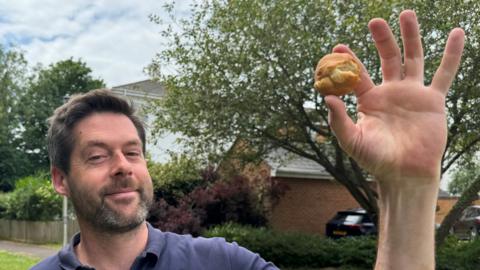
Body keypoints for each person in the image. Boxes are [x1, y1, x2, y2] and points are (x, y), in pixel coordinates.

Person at [31, 9, 464, 270]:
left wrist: (408, 189)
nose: (123, 165)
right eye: (97, 156)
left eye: (132, 151)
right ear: (60, 180)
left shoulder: (223, 263)